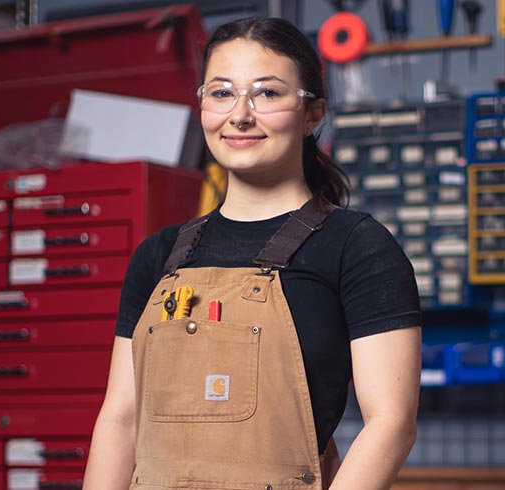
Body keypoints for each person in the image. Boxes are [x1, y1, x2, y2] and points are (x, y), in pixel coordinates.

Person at [83, 16, 422, 490]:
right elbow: (120, 420)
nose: (239, 114)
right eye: (221, 93)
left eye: (267, 93)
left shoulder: (358, 247)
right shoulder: (158, 256)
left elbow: (392, 422)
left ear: (313, 114)